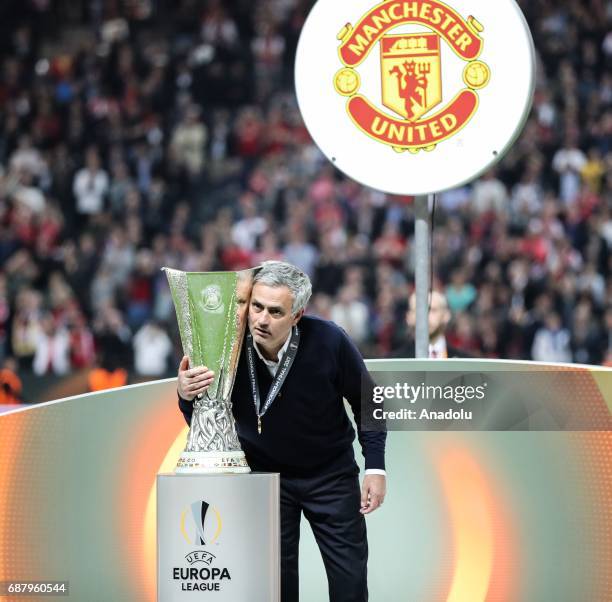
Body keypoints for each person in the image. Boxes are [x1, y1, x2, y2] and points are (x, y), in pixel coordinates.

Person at [177, 261, 386, 602]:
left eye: (275, 312)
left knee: (349, 582)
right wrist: (186, 394)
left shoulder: (330, 340)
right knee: (275, 587)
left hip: (330, 475)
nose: (260, 319)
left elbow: (369, 401)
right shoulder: (226, 343)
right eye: (256, 306)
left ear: (297, 315)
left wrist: (375, 466)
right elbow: (204, 417)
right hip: (265, 476)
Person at [394, 290, 473, 358]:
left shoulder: (468, 364)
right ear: (408, 317)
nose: (426, 316)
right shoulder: (392, 365)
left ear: (446, 315)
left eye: (432, 310)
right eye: (418, 310)